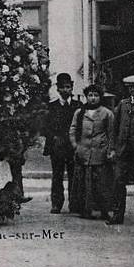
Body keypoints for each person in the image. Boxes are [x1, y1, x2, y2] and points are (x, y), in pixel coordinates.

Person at [69, 84, 115, 220]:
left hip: (99, 152)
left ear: (100, 97)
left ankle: (104, 210)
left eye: (96, 95)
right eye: (90, 95)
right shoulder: (79, 112)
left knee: (101, 183)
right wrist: (75, 146)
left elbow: (111, 133)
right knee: (84, 182)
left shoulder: (107, 113)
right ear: (86, 97)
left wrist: (110, 149)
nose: (93, 98)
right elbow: (73, 129)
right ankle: (85, 209)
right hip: (83, 151)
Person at [43, 73, 82, 213]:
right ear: (58, 89)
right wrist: (53, 138)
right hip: (57, 147)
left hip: (72, 146)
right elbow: (45, 127)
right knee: (57, 175)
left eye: (69, 87)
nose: (66, 90)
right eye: (63, 87)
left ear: (72, 88)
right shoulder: (51, 106)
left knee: (74, 175)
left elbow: (81, 126)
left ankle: (75, 203)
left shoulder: (78, 106)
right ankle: (56, 204)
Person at [108, 75, 134, 225]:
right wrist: (112, 148)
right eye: (131, 87)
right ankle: (117, 214)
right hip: (123, 151)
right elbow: (114, 128)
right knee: (118, 181)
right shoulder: (123, 104)